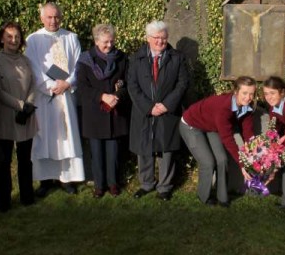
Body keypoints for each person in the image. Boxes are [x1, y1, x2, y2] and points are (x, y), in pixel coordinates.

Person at [25, 2, 84, 196]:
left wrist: (67, 83)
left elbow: (79, 65)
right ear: (42, 18)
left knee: (67, 138)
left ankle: (67, 178)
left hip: (66, 96)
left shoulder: (71, 37)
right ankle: (45, 180)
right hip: (44, 98)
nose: (53, 20)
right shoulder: (33, 39)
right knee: (45, 137)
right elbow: (32, 67)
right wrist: (50, 86)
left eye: (56, 16)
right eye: (49, 17)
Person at [128, 20, 189, 201]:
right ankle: (146, 184)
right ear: (148, 38)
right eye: (156, 38)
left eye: (164, 38)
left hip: (167, 111)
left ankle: (165, 186)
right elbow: (132, 85)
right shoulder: (136, 58)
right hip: (144, 111)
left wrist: (167, 104)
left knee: (166, 148)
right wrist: (148, 107)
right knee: (144, 147)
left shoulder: (177, 58)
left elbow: (182, 83)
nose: (160, 42)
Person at [179, 76, 256, 206]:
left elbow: (247, 131)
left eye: (251, 94)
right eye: (244, 93)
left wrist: (254, 149)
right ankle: (204, 196)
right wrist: (243, 164)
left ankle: (223, 197)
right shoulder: (223, 108)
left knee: (222, 159)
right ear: (236, 92)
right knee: (208, 162)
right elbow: (227, 139)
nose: (248, 97)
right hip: (191, 125)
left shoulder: (247, 107)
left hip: (211, 126)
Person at [77, 24, 129, 198]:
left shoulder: (121, 58)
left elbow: (127, 83)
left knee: (113, 151)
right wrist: (101, 96)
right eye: (105, 42)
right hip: (94, 113)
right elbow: (82, 87)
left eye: (112, 41)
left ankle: (113, 183)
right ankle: (99, 185)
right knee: (96, 152)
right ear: (96, 41)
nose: (109, 45)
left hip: (115, 112)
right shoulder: (85, 60)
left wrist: (116, 96)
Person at [0, 22, 37, 211]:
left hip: (25, 116)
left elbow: (34, 84)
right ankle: (3, 200)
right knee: (3, 161)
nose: (13, 40)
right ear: (2, 38)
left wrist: (28, 105)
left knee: (25, 159)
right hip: (6, 116)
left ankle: (27, 195)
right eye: (9, 36)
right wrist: (20, 105)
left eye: (17, 37)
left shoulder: (25, 60)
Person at [262, 76, 285, 209]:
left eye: (272, 93)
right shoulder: (273, 108)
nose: (269, 97)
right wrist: (271, 145)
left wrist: (281, 152)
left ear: (282, 92)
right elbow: (274, 129)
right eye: (266, 93)